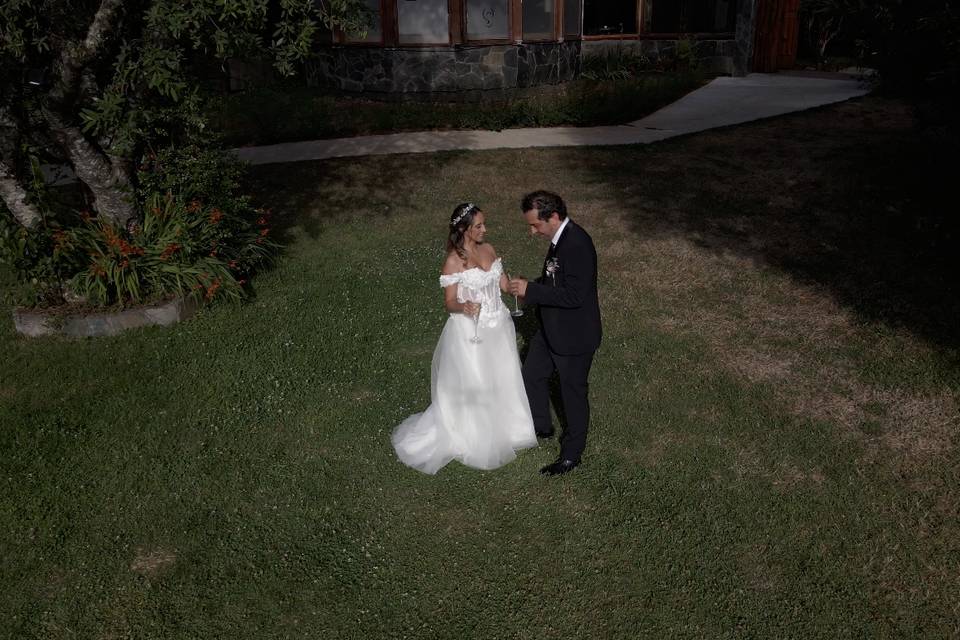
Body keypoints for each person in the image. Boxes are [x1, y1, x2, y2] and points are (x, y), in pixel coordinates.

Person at [391, 203, 537, 474]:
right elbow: (449, 302)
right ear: (463, 228)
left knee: (503, 375)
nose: (485, 229)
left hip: (499, 324)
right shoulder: (453, 261)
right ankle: (477, 435)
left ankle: (511, 429)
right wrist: (465, 307)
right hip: (472, 332)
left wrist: (515, 286)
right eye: (478, 226)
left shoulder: (489, 249)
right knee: (478, 379)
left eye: (484, 224)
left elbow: (502, 284)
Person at [508, 191, 602, 476]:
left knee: (572, 394)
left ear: (554, 217)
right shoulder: (559, 240)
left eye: (536, 225)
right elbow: (555, 280)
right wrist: (531, 286)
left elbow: (574, 296)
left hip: (574, 337)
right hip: (550, 329)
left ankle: (572, 455)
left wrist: (532, 291)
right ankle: (542, 427)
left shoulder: (577, 244)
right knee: (532, 374)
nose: (532, 231)